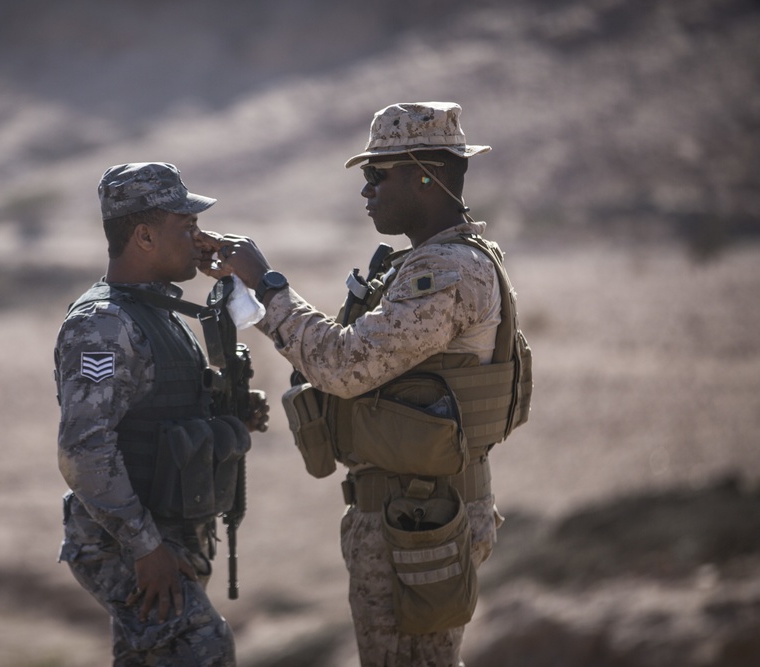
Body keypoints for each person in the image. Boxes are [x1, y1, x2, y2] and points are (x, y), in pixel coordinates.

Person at [208, 102, 532, 667]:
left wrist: (269, 284)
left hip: (419, 521)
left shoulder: (446, 273)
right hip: (414, 514)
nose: (366, 191)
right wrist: (258, 302)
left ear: (424, 175)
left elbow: (344, 364)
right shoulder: (430, 264)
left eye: (376, 175)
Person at [53, 162, 269, 666]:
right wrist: (145, 549)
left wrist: (227, 411)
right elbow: (82, 451)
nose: (200, 239)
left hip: (167, 528)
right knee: (203, 647)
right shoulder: (103, 325)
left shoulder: (156, 312)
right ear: (144, 236)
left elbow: (157, 409)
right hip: (124, 538)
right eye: (186, 227)